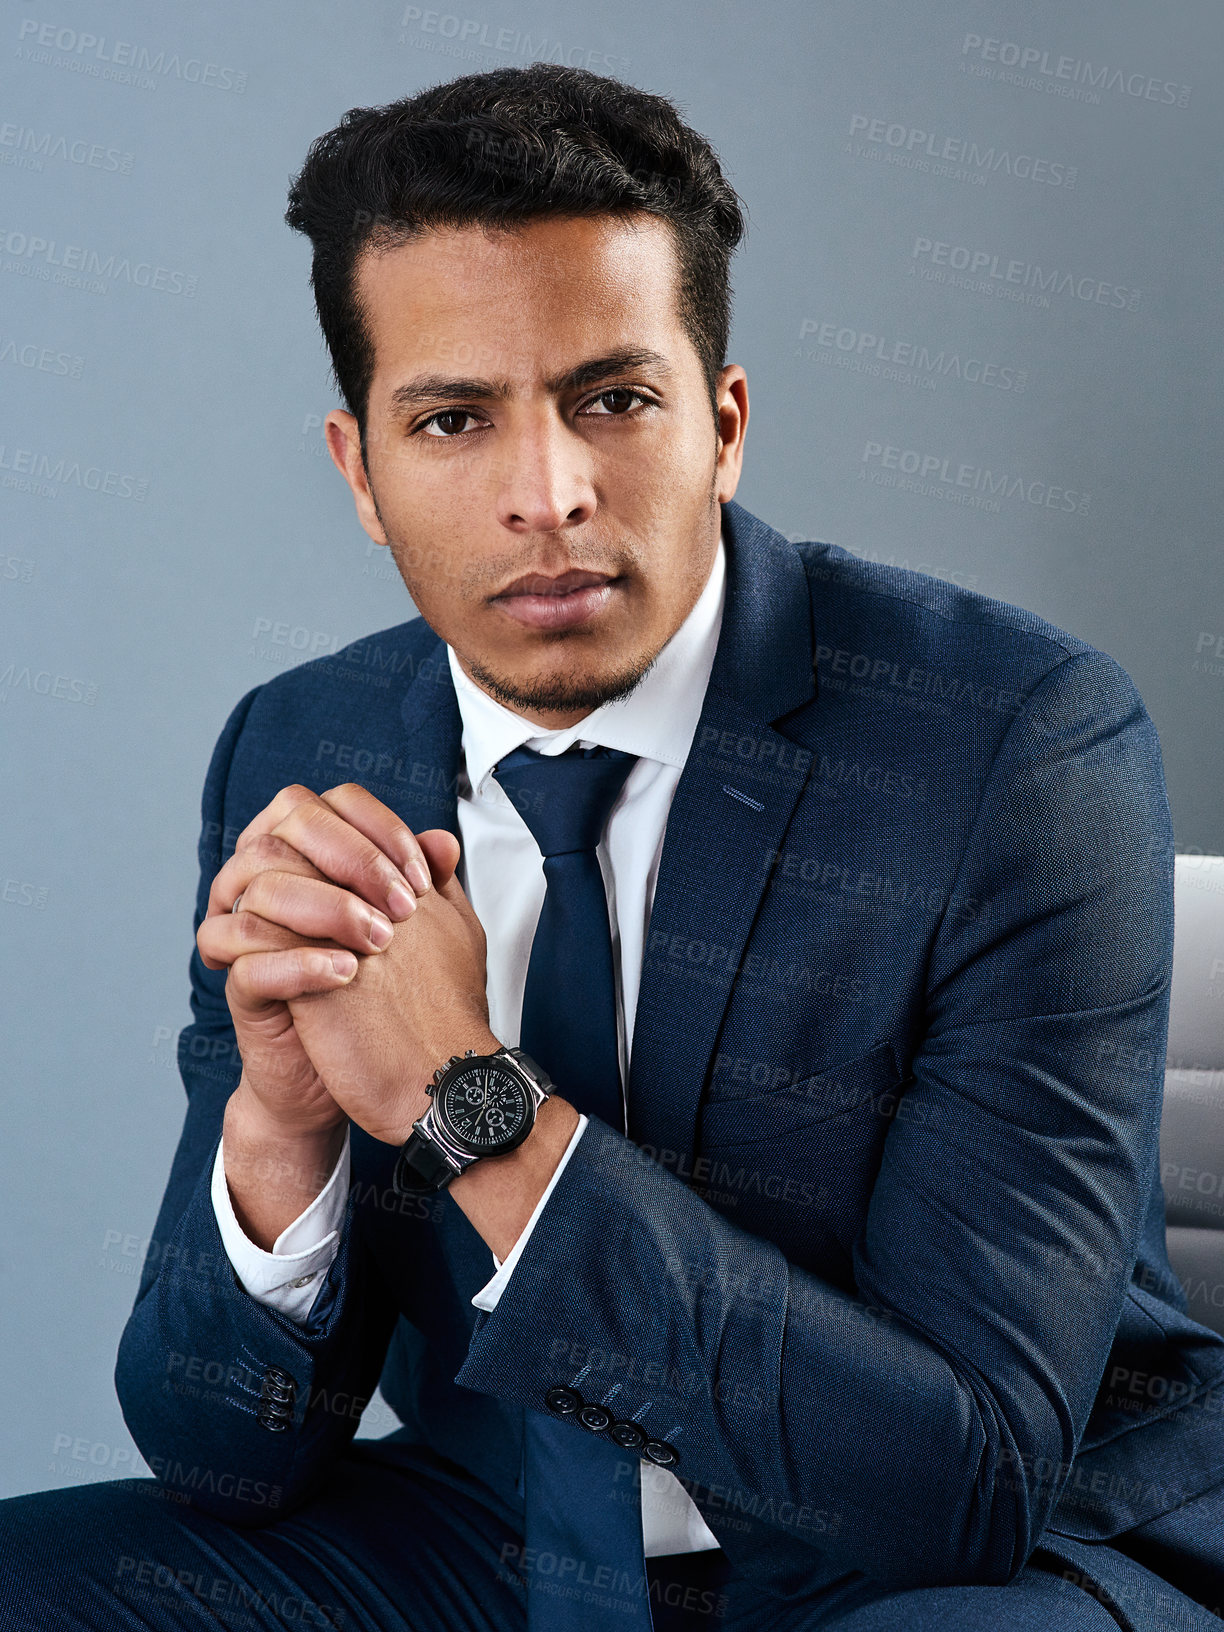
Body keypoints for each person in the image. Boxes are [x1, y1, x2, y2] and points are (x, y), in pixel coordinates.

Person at [3, 61, 1224, 1632]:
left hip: (958, 1559)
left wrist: (465, 1100)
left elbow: (960, 1481)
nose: (548, 495)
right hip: (499, 1536)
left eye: (613, 400)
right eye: (453, 420)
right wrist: (280, 1133)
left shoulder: (1017, 746)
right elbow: (218, 1462)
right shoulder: (305, 751)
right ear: (359, 475)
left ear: (721, 425)